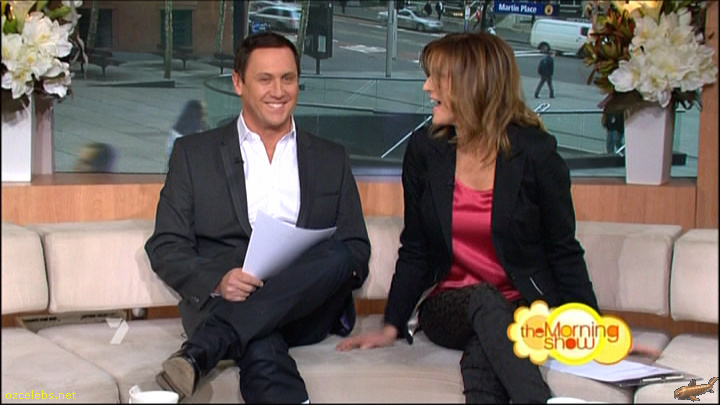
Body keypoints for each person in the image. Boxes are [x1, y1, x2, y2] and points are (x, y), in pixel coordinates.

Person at [336, 32, 599, 403]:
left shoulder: (535, 154)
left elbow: (563, 249)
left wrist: (594, 331)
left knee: (485, 351)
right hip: (448, 305)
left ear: (473, 85)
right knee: (486, 301)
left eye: (438, 78)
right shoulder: (426, 151)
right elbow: (416, 247)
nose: (427, 87)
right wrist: (391, 324)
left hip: (524, 308)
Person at [145, 32, 371, 403]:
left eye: (288, 78)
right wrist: (219, 281)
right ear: (238, 83)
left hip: (306, 309)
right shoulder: (194, 154)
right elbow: (166, 245)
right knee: (261, 338)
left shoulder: (331, 157)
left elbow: (356, 249)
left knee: (339, 254)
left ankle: (202, 350)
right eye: (265, 79)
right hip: (226, 300)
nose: (278, 91)